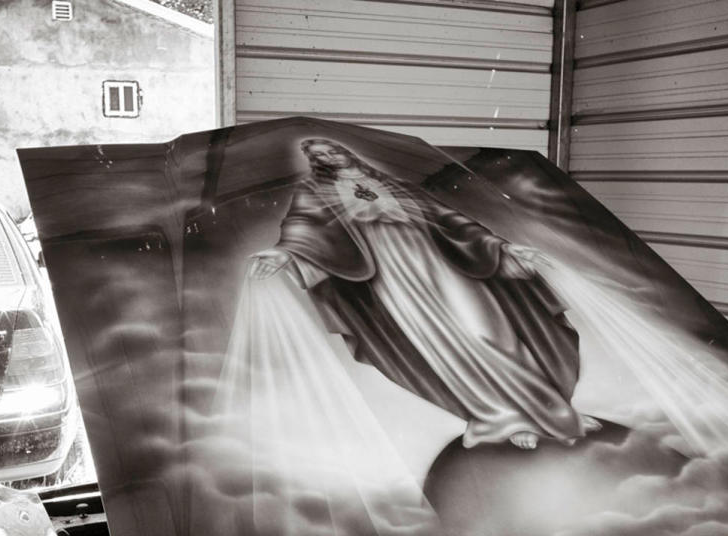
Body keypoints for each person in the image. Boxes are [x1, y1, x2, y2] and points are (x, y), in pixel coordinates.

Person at [247, 138, 598, 450]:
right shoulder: (314, 192)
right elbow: (302, 225)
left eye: (332, 149)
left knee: (489, 333)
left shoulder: (398, 186)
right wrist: (284, 252)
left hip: (443, 266)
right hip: (392, 278)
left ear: (345, 151)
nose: (329, 156)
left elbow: (453, 220)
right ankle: (503, 416)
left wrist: (502, 247)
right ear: (316, 163)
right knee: (441, 347)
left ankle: (552, 412)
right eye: (319, 154)